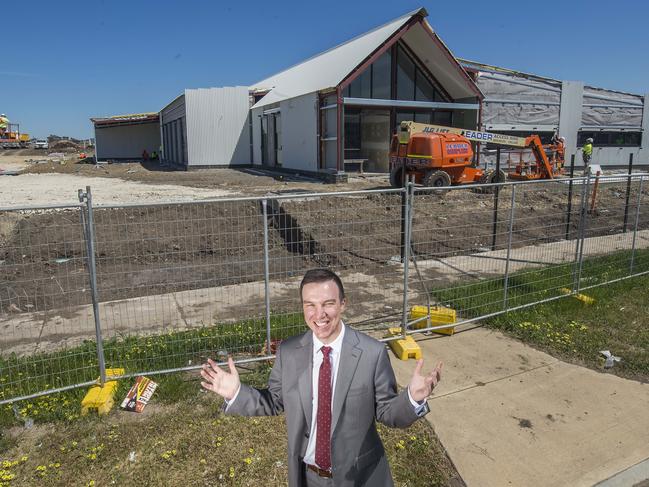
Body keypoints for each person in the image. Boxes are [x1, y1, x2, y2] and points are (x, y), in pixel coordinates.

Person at [201, 268, 443, 487]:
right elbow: (275, 401)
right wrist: (237, 393)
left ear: (343, 304)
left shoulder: (372, 353)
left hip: (359, 477)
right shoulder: (288, 352)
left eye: (328, 304)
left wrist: (412, 399)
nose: (320, 315)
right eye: (310, 305)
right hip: (308, 477)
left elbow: (388, 413)